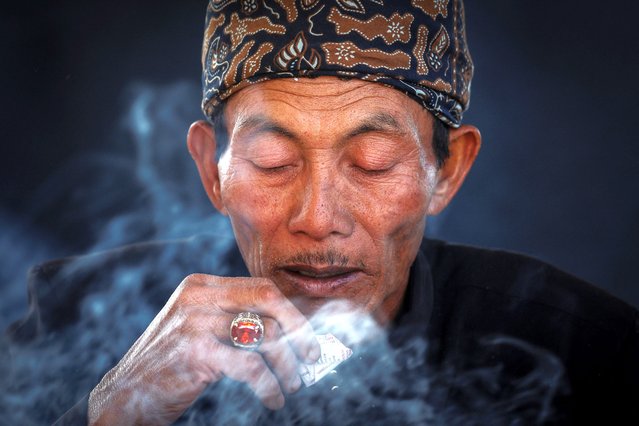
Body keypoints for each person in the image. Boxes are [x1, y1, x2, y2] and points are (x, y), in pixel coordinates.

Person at [6, 1, 637, 424]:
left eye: (372, 163)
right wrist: (114, 410)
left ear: (446, 171)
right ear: (210, 169)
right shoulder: (67, 314)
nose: (318, 217)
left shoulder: (592, 349)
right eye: (274, 162)